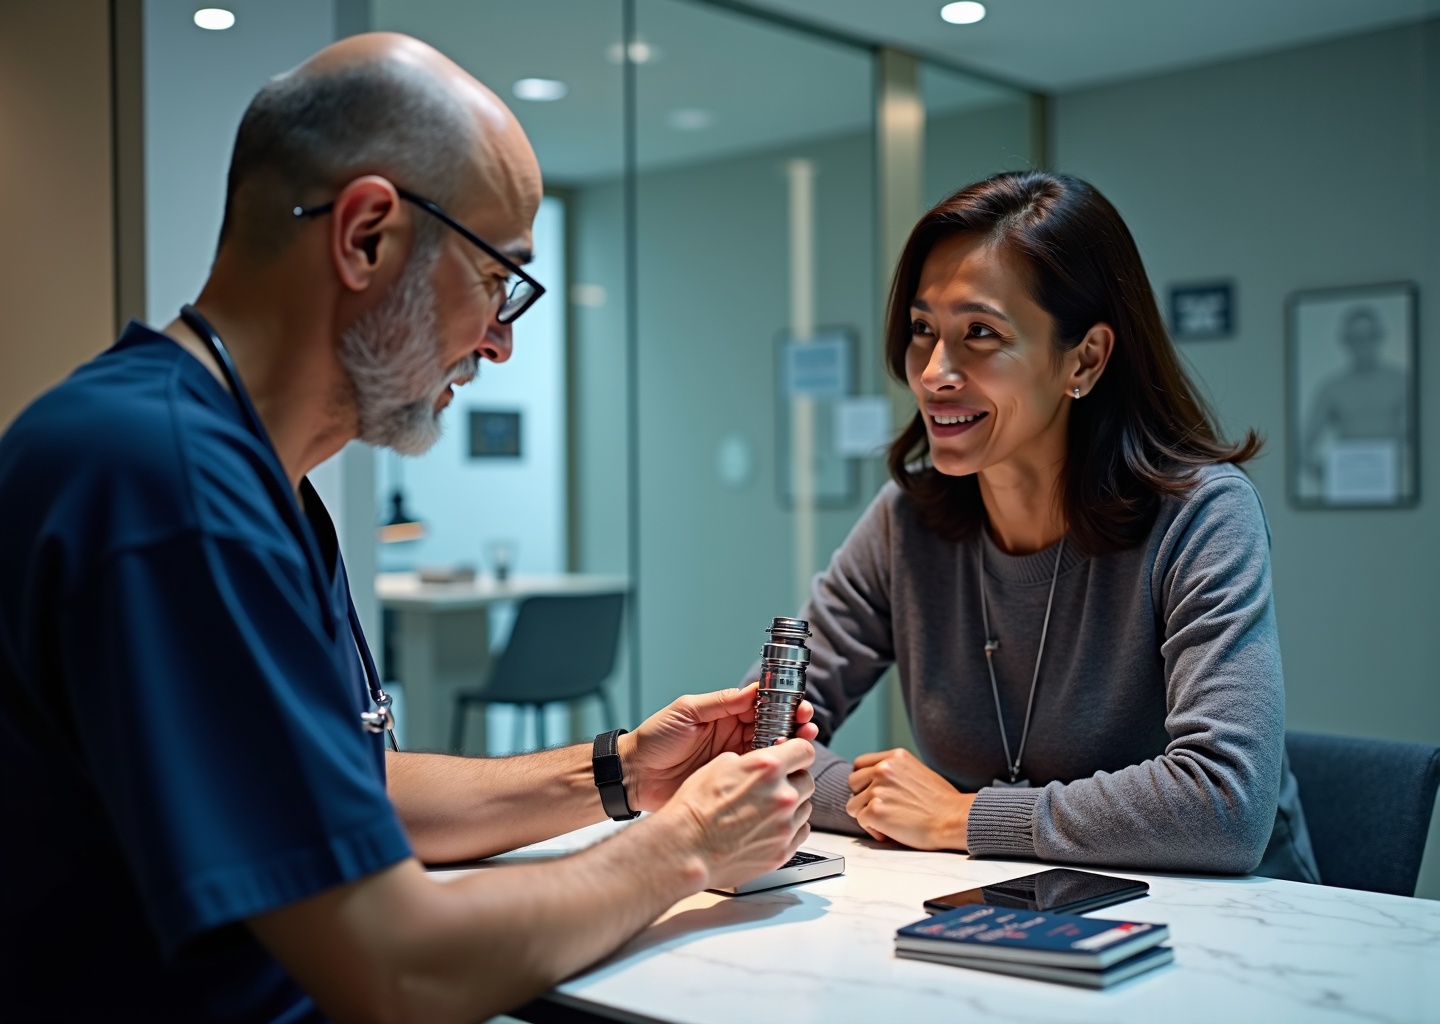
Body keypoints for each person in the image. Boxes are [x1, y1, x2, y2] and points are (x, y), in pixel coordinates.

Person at [0, 34, 815, 1024]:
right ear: (367, 236)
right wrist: (686, 845)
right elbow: (395, 967)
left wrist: (619, 772)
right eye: (496, 278)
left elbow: (348, 793)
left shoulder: (253, 477)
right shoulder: (161, 485)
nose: (502, 339)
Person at [764, 171, 1319, 882]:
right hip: (1007, 899)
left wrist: (960, 816)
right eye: (923, 330)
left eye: (981, 334)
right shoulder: (908, 521)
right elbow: (763, 733)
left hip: (1227, 929)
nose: (934, 372)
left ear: (1083, 359)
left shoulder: (1203, 515)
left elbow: (1226, 806)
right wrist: (883, 799)